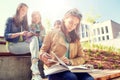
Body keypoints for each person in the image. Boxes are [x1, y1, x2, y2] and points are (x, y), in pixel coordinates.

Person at [39, 8, 94, 80]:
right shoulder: (51, 33)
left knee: (89, 79)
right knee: (71, 78)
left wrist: (70, 62)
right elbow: (42, 51)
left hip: (73, 68)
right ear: (64, 19)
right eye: (70, 22)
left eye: (75, 24)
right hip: (56, 69)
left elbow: (82, 57)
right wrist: (43, 55)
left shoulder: (76, 39)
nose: (72, 26)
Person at [4, 3, 42, 80]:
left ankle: (35, 70)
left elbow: (26, 39)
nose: (24, 12)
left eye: (26, 11)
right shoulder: (10, 20)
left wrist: (29, 34)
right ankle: (35, 73)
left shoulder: (25, 24)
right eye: (23, 10)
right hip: (12, 46)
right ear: (18, 9)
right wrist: (19, 33)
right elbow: (6, 36)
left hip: (22, 46)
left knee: (34, 39)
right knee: (35, 48)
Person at [29, 11, 46, 78]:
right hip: (31, 44)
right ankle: (34, 69)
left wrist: (41, 37)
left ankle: (49, 73)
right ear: (32, 18)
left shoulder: (43, 28)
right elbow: (26, 38)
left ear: (40, 18)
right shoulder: (29, 26)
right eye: (34, 17)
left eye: (37, 17)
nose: (36, 19)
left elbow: (45, 39)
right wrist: (33, 34)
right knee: (34, 39)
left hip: (41, 45)